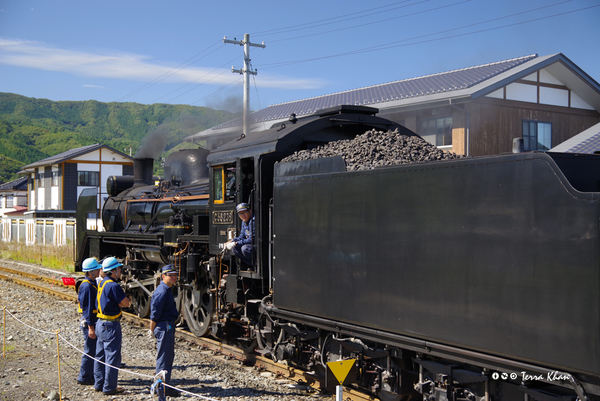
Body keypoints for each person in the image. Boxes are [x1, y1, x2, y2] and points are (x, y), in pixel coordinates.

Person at [94, 257, 130, 395]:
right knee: (112, 357)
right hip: (110, 324)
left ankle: (99, 384)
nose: (121, 271)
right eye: (119, 269)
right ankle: (109, 387)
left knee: (100, 355)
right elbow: (126, 303)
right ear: (114, 271)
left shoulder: (103, 282)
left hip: (100, 323)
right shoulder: (114, 286)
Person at [150, 265, 180, 396]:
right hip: (164, 327)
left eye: (175, 275)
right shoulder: (162, 291)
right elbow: (154, 314)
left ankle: (164, 385)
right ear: (163, 276)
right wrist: (151, 330)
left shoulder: (166, 289)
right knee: (164, 357)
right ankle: (161, 388)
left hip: (166, 326)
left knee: (167, 357)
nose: (174, 277)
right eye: (171, 275)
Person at [76, 257, 102, 386]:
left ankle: (89, 374)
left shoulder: (91, 283)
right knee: (90, 349)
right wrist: (91, 327)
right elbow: (87, 309)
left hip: (92, 320)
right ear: (90, 272)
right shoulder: (87, 286)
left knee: (92, 348)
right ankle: (84, 376)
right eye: (96, 269)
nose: (98, 271)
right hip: (89, 321)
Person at [225, 202, 255, 268]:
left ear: (250, 211)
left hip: (257, 246)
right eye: (240, 214)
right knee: (234, 248)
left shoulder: (253, 221)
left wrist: (236, 243)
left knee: (245, 248)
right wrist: (232, 241)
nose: (242, 215)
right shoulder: (244, 221)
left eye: (244, 212)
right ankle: (251, 264)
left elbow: (252, 240)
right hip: (251, 245)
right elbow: (242, 236)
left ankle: (256, 264)